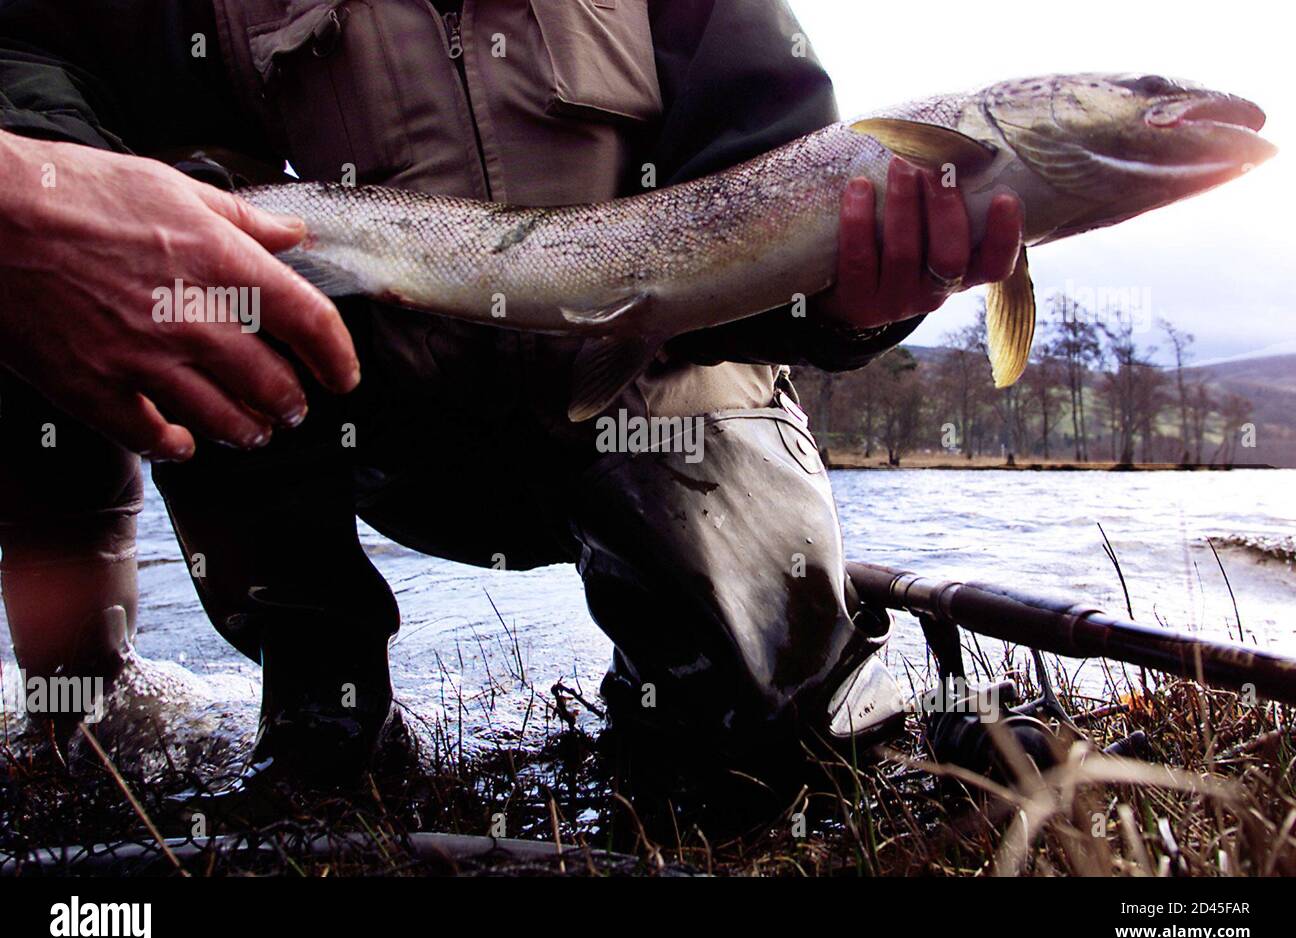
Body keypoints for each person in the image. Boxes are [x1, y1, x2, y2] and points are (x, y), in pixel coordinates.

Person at [0, 0, 1022, 786]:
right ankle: (295, 703)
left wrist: (849, 303)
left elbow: (765, 196)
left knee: (754, 757)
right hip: (328, 391)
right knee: (51, 262)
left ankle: (719, 683)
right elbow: (29, 54)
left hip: (635, 380)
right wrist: (53, 205)